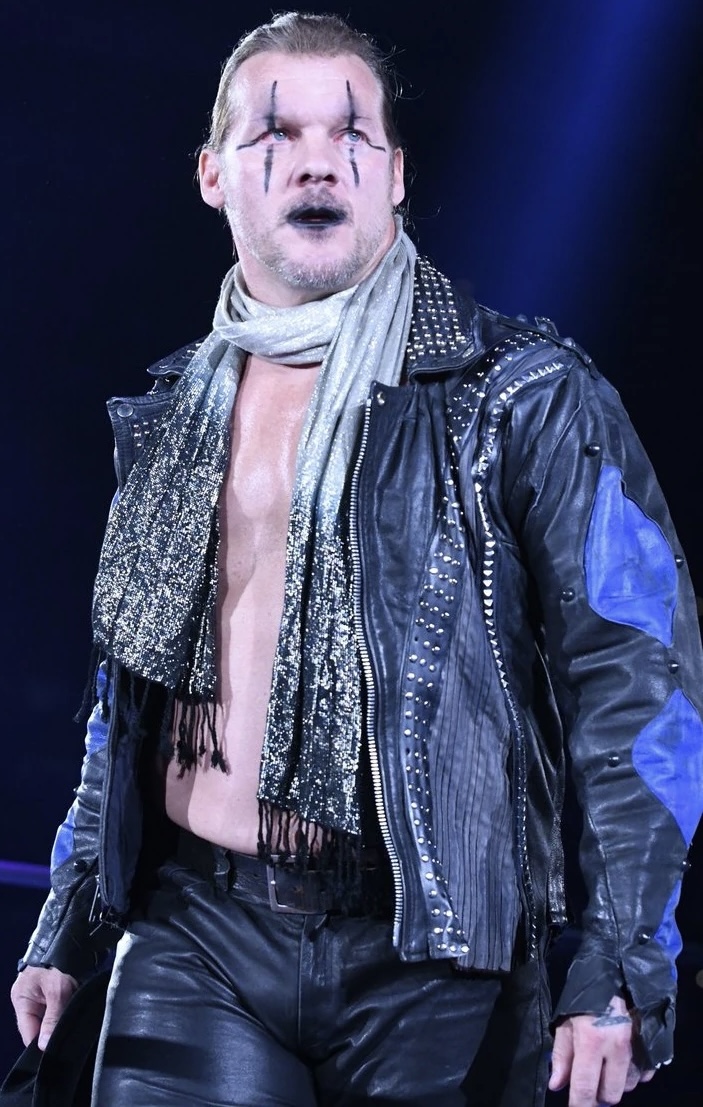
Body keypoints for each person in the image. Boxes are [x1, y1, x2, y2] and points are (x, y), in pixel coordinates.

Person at [10, 11, 703, 1107]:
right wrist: (70, 916)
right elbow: (128, 701)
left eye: (352, 133)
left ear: (393, 176)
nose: (318, 159)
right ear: (212, 175)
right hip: (196, 932)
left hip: (433, 957)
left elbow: (635, 682)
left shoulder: (520, 395)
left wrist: (619, 961)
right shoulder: (174, 415)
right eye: (276, 132)